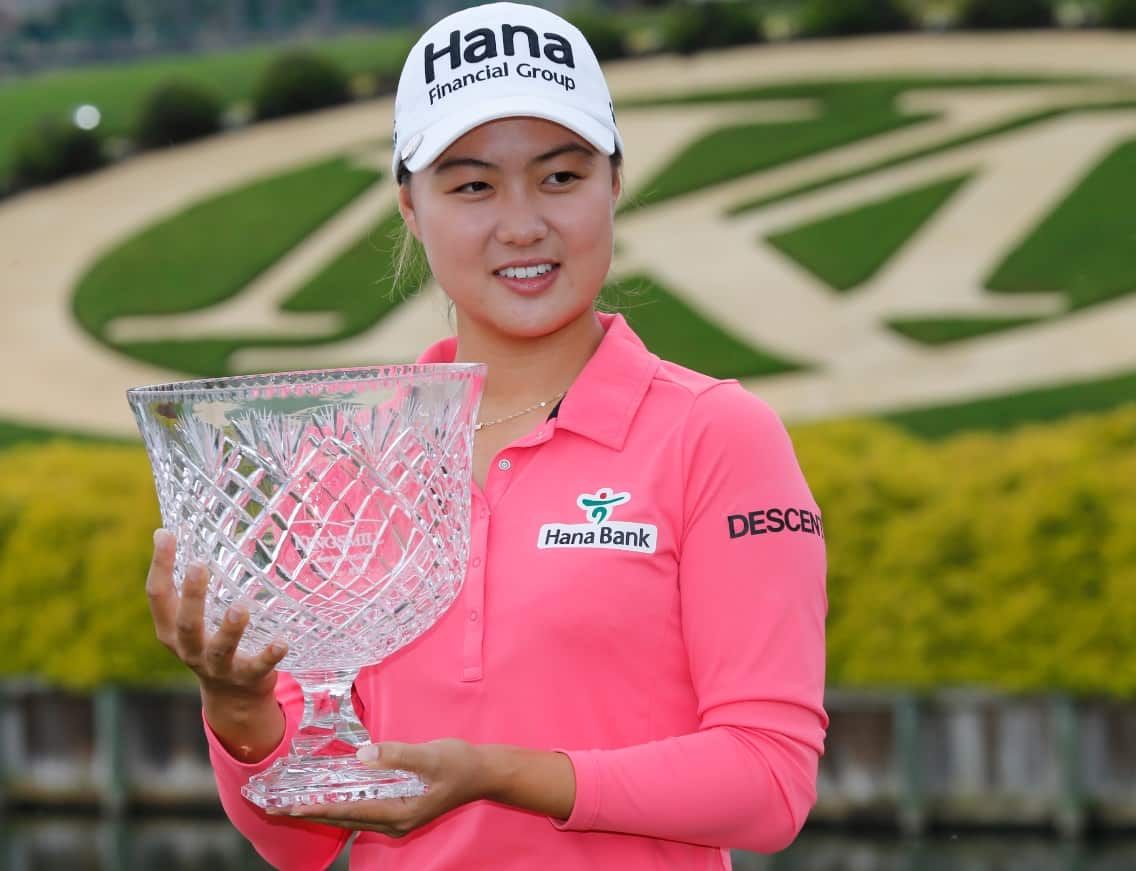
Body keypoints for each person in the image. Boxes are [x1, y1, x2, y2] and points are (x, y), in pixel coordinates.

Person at [144, 3, 828, 868]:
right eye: (472, 185)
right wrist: (237, 710)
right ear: (410, 207)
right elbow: (303, 843)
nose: (522, 224)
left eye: (560, 177)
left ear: (613, 185)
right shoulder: (344, 461)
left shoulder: (717, 435)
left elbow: (768, 784)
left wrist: (498, 773)